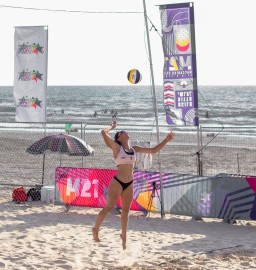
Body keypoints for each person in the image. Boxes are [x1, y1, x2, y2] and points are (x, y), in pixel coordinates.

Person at [92, 120, 175, 250]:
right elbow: (103, 132)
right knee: (109, 207)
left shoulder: (134, 149)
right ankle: (95, 229)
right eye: (123, 132)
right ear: (119, 137)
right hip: (117, 181)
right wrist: (112, 127)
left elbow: (153, 150)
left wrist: (166, 140)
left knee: (126, 211)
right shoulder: (116, 147)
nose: (126, 132)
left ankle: (123, 238)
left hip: (129, 182)